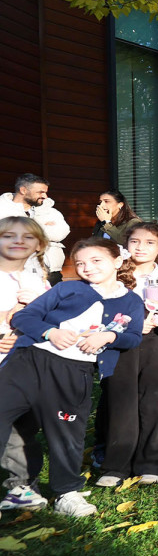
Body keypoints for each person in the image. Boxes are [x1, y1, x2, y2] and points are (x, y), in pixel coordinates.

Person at [0, 238, 144, 517]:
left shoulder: (131, 301)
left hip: (72, 373)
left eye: (95, 261)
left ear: (117, 261)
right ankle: (22, 488)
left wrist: (110, 335)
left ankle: (67, 492)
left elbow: (134, 337)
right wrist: (49, 332)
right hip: (28, 362)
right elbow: (25, 317)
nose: (86, 268)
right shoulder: (67, 288)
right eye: (80, 263)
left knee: (66, 433)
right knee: (13, 423)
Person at [95, 223, 158, 486]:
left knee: (155, 400)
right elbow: (100, 310)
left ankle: (150, 462)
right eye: (135, 242)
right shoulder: (114, 274)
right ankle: (116, 465)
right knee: (121, 400)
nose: (140, 248)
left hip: (156, 342)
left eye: (149, 242)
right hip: (120, 343)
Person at [0, 216, 51, 511]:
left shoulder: (39, 282)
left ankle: (23, 484)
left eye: (27, 237)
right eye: (9, 235)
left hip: (31, 363)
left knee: (24, 426)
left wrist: (38, 307)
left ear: (39, 245)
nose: (18, 241)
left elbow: (57, 321)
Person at [0, 173, 70, 283]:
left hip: (51, 272)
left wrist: (25, 230)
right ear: (23, 190)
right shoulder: (3, 209)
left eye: (46, 192)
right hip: (12, 271)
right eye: (40, 192)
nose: (45, 196)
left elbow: (60, 233)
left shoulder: (50, 211)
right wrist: (42, 227)